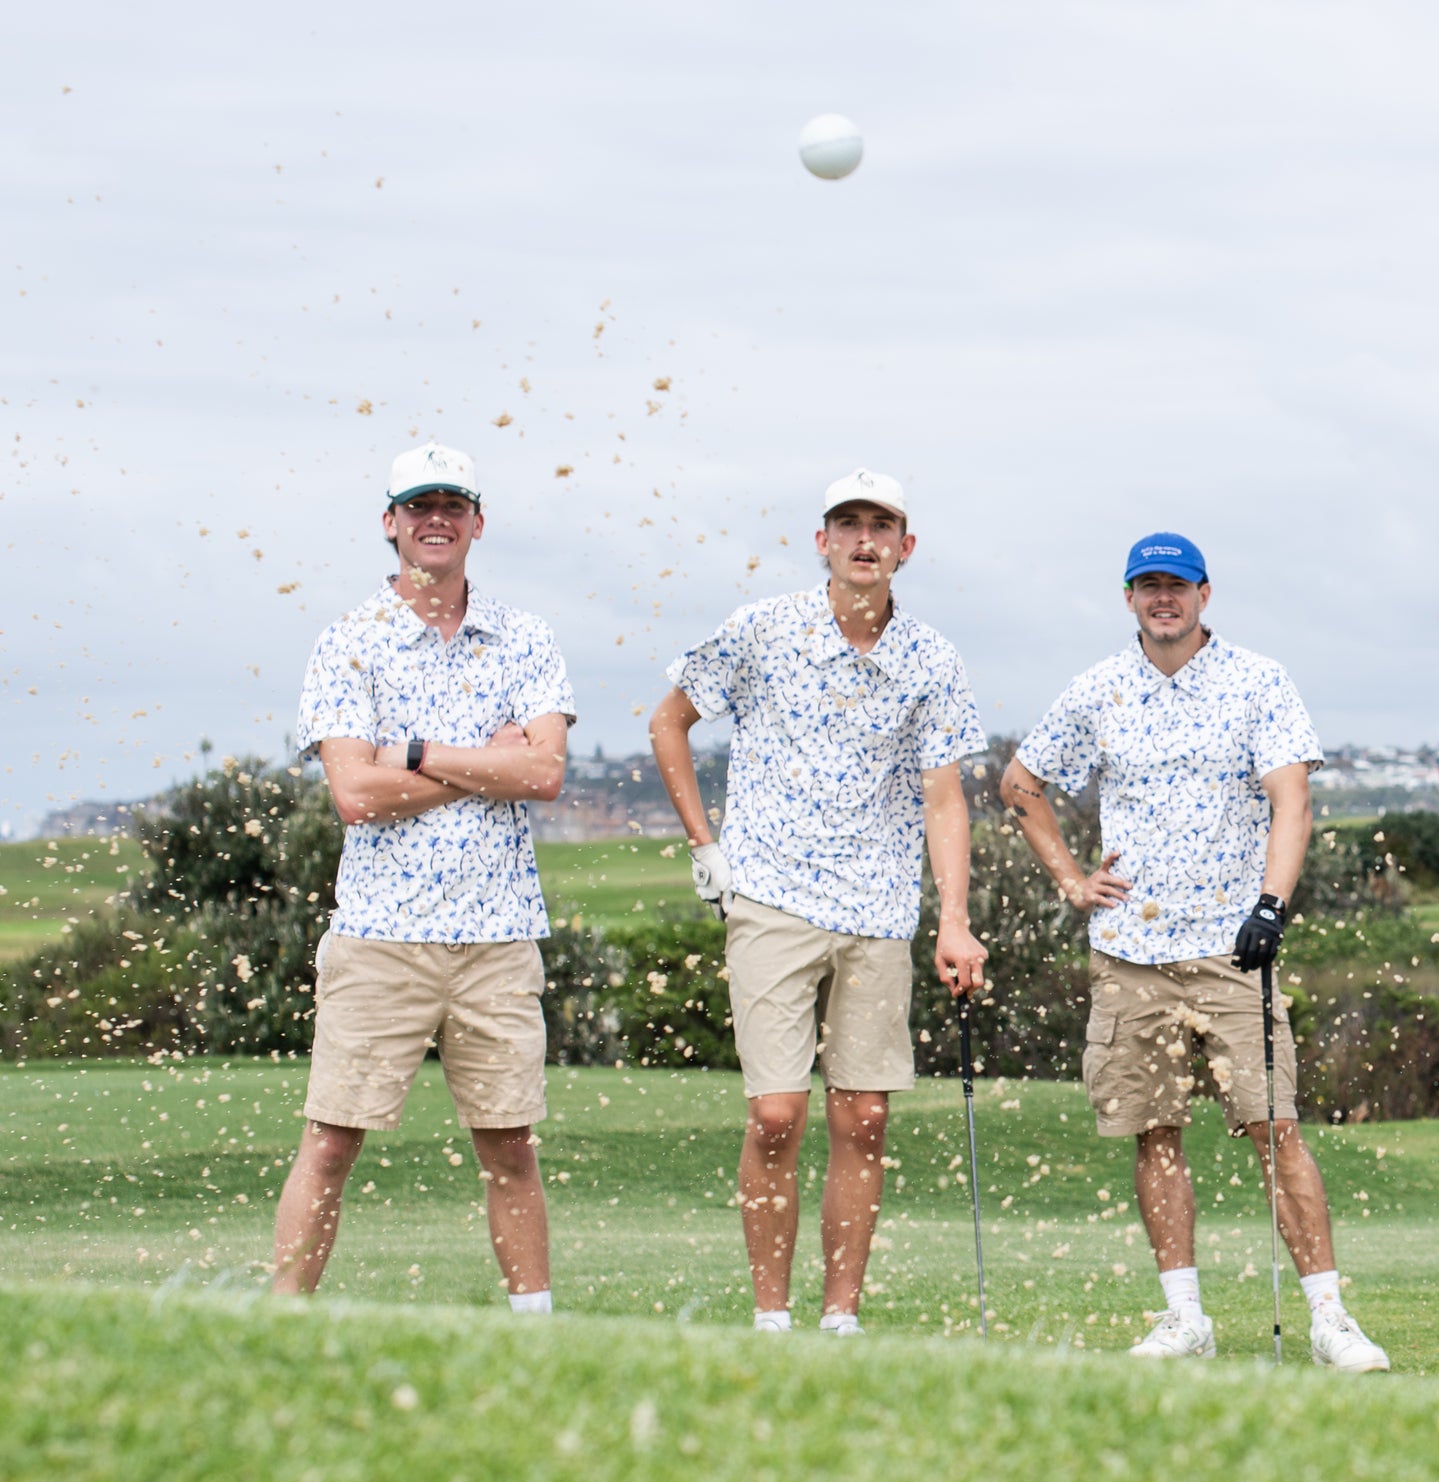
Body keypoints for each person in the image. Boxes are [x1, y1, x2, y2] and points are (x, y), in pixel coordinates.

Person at [1001, 533, 1389, 1371]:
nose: (1163, 598)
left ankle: (1330, 1317)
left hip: (1231, 949)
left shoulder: (1258, 681)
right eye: (1148, 585)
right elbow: (1019, 784)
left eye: (1176, 584)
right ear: (1129, 598)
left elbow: (1291, 801)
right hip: (1130, 950)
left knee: (1274, 1126)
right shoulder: (1098, 688)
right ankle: (1185, 1319)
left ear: (1205, 593)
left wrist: (1271, 905)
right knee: (1155, 1133)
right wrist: (1072, 880)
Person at [649, 468, 985, 1336]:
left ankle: (841, 1319)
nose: (864, 540)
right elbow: (668, 722)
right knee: (775, 1114)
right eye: (849, 524)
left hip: (878, 910)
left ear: (906, 547)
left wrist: (953, 918)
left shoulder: (933, 659)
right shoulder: (761, 629)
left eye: (882, 526)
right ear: (822, 541)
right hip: (770, 896)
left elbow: (944, 797)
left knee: (864, 1116)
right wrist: (704, 844)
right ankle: (772, 1316)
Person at [273, 442, 575, 1309]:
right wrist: (482, 761)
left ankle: (536, 1331)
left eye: (451, 505)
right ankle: (281, 1323)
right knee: (331, 1142)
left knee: (510, 1149)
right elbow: (355, 794)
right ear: (390, 523)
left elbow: (544, 774)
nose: (435, 519)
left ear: (477, 522)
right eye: (418, 506)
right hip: (381, 935)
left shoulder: (525, 636)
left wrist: (409, 751)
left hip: (497, 936)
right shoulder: (349, 641)